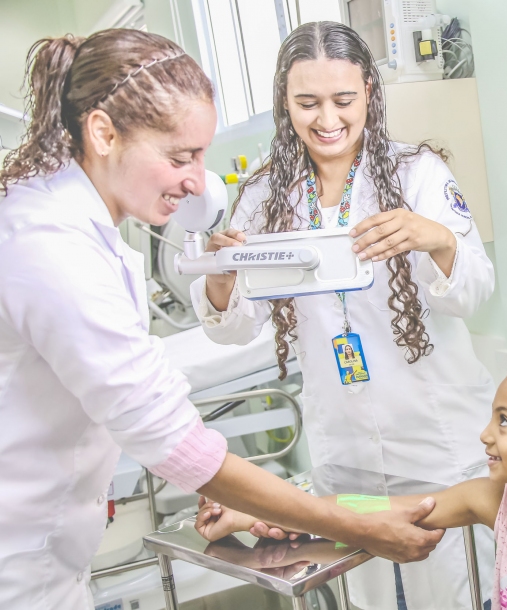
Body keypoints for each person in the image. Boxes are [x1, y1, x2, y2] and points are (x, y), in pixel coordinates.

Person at [0, 29, 442, 609]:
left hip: (41, 551)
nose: (195, 181)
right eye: (180, 156)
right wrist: (342, 520)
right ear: (103, 132)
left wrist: (265, 501)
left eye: (201, 155)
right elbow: (170, 439)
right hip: (21, 562)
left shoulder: (69, 223)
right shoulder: (51, 245)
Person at [191, 21, 497, 610]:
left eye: (343, 100)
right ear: (285, 104)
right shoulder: (263, 197)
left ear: (370, 97)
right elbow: (234, 329)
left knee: (457, 594)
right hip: (346, 453)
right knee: (371, 600)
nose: (326, 118)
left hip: (435, 441)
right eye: (307, 102)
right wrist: (224, 280)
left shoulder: (417, 173)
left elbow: (472, 291)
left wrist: (435, 239)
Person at [198, 354, 507, 610]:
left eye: (504, 422)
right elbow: (376, 507)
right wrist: (255, 510)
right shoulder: (498, 500)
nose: (484, 435)